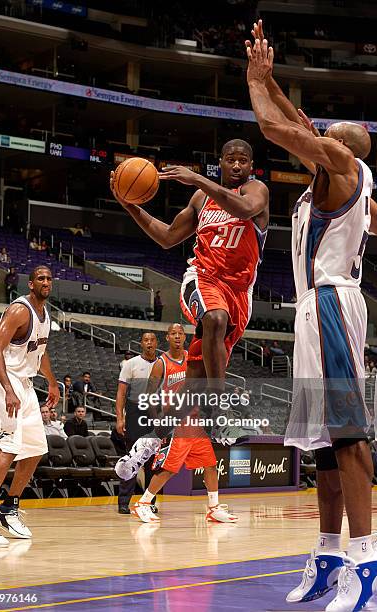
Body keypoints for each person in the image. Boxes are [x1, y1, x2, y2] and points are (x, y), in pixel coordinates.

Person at [246, 19, 377, 611]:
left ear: (345, 146)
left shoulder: (341, 164)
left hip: (330, 305)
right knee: (323, 446)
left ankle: (367, 561)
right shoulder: (328, 167)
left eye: (329, 133)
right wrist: (272, 77)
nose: (318, 133)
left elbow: (277, 128)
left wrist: (254, 80)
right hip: (309, 311)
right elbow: (294, 120)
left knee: (347, 438)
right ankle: (329, 555)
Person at [111, 134, 269, 476]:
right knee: (214, 318)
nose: (238, 165)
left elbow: (242, 209)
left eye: (243, 160)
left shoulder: (257, 192)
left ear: (250, 166)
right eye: (231, 159)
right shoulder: (201, 200)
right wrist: (129, 205)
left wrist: (198, 177)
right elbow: (167, 237)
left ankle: (149, 443)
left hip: (240, 293)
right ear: (221, 163)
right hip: (202, 279)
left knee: (193, 386)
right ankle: (219, 409)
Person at [0, 265, 59, 546]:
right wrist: (8, 390)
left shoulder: (47, 314)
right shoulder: (19, 310)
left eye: (49, 278)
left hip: (23, 382)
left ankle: (9, 507)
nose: (46, 281)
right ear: (31, 284)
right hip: (3, 381)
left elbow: (41, 352)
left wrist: (51, 382)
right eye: (40, 278)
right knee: (9, 447)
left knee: (35, 449)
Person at [131, 323, 237, 524]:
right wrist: (157, 424)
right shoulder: (161, 363)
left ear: (185, 337)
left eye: (180, 333)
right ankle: (143, 504)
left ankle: (213, 508)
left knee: (211, 465)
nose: (177, 336)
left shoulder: (193, 359)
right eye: (173, 333)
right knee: (168, 468)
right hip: (176, 422)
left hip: (195, 423)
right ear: (167, 337)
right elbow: (149, 394)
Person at [115, 332, 158, 514]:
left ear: (156, 343)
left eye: (152, 340)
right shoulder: (130, 364)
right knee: (132, 457)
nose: (149, 343)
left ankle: (149, 502)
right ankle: (124, 502)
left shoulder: (162, 363)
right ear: (141, 343)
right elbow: (121, 393)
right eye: (145, 340)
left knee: (153, 461)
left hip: (156, 413)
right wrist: (119, 417)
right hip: (134, 412)